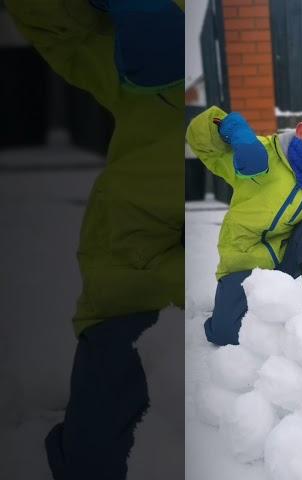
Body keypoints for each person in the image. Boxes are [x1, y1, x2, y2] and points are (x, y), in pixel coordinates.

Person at [5, 1, 185, 478]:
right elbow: (68, 32)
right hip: (128, 294)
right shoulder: (140, 50)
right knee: (97, 460)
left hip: (212, 302)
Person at [186, 98, 302, 348]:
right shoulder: (265, 154)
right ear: (301, 132)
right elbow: (201, 141)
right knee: (227, 336)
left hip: (288, 264)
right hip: (244, 264)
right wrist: (231, 129)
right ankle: (255, 316)